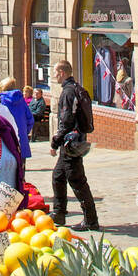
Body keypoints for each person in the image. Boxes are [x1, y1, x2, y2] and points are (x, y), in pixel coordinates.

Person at [49, 59, 99, 232]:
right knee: (58, 176)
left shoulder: (68, 93)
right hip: (73, 142)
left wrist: (55, 142)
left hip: (71, 143)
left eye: (55, 72)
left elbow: (66, 120)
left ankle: (91, 219)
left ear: (62, 73)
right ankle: (59, 212)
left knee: (77, 181)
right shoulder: (76, 89)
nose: (53, 75)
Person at [0, 77, 35, 160]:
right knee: (21, 167)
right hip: (21, 138)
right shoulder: (21, 100)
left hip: (6, 138)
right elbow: (30, 119)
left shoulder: (0, 100)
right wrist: (24, 131)